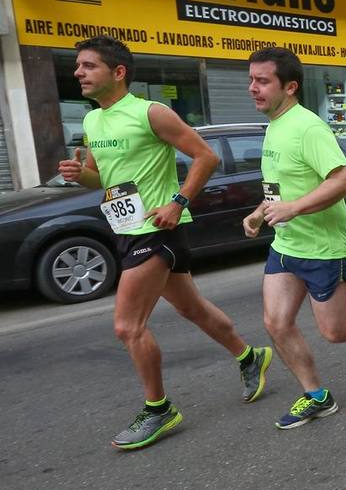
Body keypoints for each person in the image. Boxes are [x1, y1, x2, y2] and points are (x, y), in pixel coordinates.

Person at [58, 36, 271, 450]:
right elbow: (103, 178)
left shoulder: (150, 112)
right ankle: (251, 357)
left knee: (127, 326)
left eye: (88, 66)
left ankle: (159, 409)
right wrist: (78, 175)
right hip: (125, 228)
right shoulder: (92, 121)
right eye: (78, 66)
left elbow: (206, 156)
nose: (78, 73)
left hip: (156, 229)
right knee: (191, 308)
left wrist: (177, 202)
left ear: (118, 72)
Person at [241, 47, 346, 429]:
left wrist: (294, 208)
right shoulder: (273, 126)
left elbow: (345, 180)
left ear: (290, 86)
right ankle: (316, 395)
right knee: (276, 322)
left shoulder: (308, 127)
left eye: (262, 81)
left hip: (322, 247)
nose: (253, 87)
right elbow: (281, 187)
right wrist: (260, 211)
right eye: (251, 79)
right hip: (285, 245)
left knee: (337, 330)